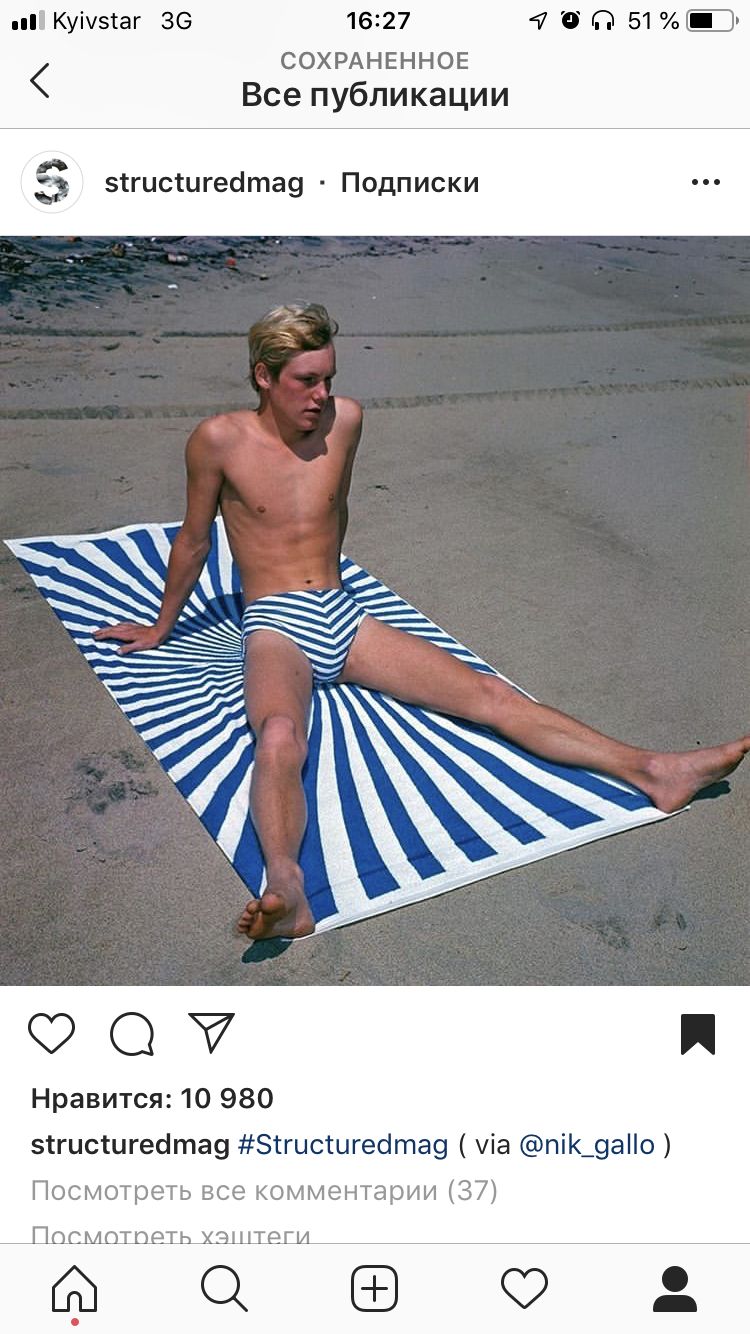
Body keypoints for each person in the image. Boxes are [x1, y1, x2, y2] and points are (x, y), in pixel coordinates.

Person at [94, 303, 748, 941]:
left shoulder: (346, 421)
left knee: (492, 697)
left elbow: (334, 511)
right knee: (279, 737)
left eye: (329, 378)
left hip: (344, 616)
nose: (321, 395)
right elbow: (193, 541)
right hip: (276, 627)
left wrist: (338, 591)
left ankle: (653, 770)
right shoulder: (219, 439)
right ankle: (288, 889)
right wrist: (160, 626)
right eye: (305, 381)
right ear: (264, 376)